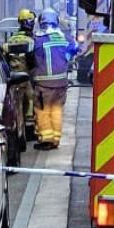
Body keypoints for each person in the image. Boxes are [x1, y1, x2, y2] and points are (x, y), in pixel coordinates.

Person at [31, 9, 78, 150]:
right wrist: (67, 58)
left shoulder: (37, 40)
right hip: (61, 83)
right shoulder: (64, 38)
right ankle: (56, 139)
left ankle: (46, 140)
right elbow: (75, 47)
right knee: (56, 109)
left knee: (43, 110)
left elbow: (29, 55)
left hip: (44, 83)